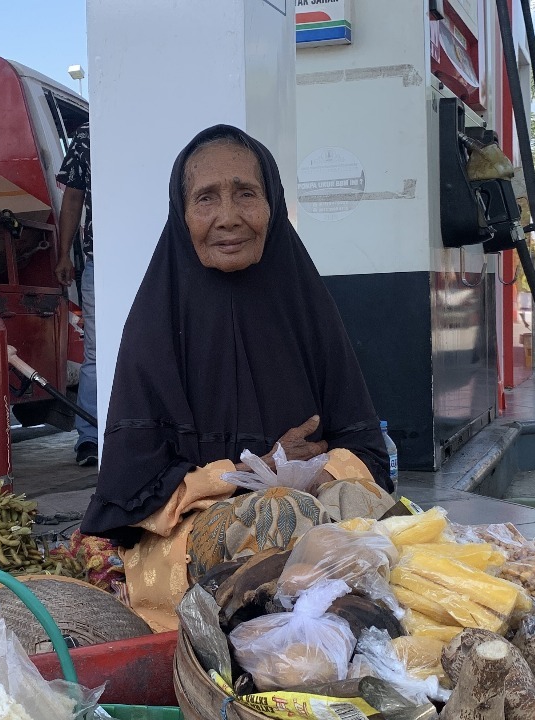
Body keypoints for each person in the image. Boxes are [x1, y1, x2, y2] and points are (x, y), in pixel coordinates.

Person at [80, 125, 393, 630]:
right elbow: (129, 496)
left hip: (314, 540)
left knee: (328, 515)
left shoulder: (306, 308)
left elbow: (371, 456)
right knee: (270, 518)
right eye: (206, 198)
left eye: (246, 194)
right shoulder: (156, 324)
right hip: (191, 552)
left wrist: (310, 474)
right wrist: (255, 472)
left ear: (273, 205)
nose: (228, 217)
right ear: (182, 214)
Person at [55, 122, 97, 466]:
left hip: (157, 255)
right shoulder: (87, 133)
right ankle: (90, 438)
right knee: (96, 353)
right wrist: (63, 253)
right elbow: (73, 196)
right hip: (101, 259)